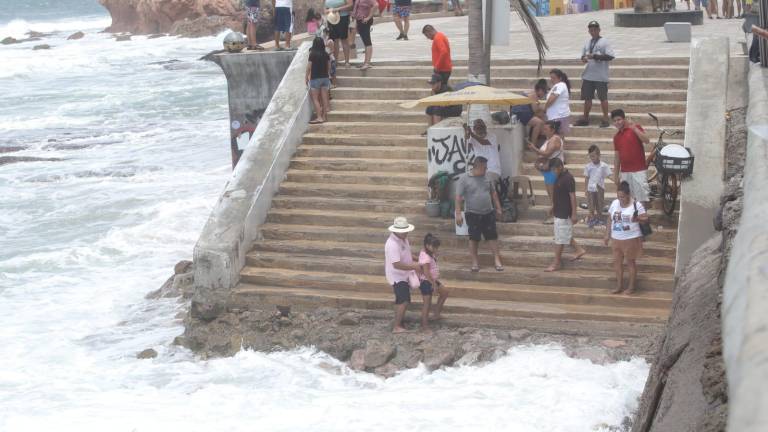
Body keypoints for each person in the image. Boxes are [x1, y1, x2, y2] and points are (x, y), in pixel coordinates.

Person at [455, 157, 504, 272]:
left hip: (488, 212)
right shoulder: (464, 179)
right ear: (477, 167)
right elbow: (458, 197)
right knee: (474, 238)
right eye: (484, 167)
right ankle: (475, 262)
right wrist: (458, 213)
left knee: (492, 236)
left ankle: (497, 260)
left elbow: (493, 193)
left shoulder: (488, 177)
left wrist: (499, 208)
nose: (486, 169)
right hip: (472, 213)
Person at [604, 181, 648, 295]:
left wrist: (637, 218)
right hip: (616, 238)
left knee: (630, 263)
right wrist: (607, 234)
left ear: (628, 195)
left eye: (622, 196)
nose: (620, 199)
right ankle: (619, 286)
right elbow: (609, 219)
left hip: (631, 238)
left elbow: (646, 219)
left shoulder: (636, 205)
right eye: (618, 196)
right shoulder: (614, 203)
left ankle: (631, 287)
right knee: (617, 263)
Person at [546, 158, 586, 272]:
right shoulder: (558, 177)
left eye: (554, 169)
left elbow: (572, 197)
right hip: (558, 212)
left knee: (560, 238)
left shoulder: (568, 178)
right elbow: (557, 194)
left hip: (564, 214)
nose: (553, 172)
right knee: (563, 234)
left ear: (560, 167)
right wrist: (553, 207)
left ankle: (557, 262)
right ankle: (579, 250)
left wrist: (574, 214)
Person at [384, 216, 422, 333]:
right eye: (403, 231)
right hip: (397, 276)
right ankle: (397, 326)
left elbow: (407, 254)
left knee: (400, 300)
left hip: (403, 274)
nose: (405, 233)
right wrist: (414, 266)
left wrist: (419, 258)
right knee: (403, 300)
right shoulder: (392, 244)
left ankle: (399, 322)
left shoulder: (403, 239)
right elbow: (396, 264)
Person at [575, 21, 614, 128]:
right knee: (587, 98)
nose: (593, 32)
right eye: (591, 30)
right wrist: (583, 58)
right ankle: (585, 118)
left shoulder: (604, 42)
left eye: (595, 30)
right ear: (589, 31)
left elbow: (610, 56)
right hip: (588, 75)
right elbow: (583, 56)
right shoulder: (587, 43)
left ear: (599, 30)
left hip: (601, 76)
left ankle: (606, 118)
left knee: (603, 98)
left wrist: (596, 56)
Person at [611, 109, 651, 205]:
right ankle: (632, 218)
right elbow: (617, 158)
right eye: (615, 120)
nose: (617, 122)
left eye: (619, 119)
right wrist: (616, 176)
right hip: (625, 172)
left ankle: (643, 218)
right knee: (628, 198)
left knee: (642, 198)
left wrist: (635, 129)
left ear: (624, 119)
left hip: (639, 170)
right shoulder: (616, 137)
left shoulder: (635, 128)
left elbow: (647, 140)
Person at [528, 120, 565, 223]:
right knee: (551, 194)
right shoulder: (549, 139)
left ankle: (555, 215)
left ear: (552, 130)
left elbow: (547, 153)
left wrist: (534, 148)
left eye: (546, 129)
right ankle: (554, 214)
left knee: (554, 195)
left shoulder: (555, 139)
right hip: (549, 170)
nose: (543, 131)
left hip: (554, 169)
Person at [418, 233, 451, 330]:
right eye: (434, 247)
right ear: (428, 246)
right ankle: (424, 326)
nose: (436, 249)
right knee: (427, 304)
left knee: (445, 292)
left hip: (432, 280)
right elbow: (426, 272)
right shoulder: (426, 257)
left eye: (437, 247)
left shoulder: (427, 253)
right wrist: (433, 284)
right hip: (426, 281)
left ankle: (436, 314)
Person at [464, 119, 502, 187]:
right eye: (478, 128)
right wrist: (466, 135)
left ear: (485, 128)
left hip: (493, 170)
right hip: (479, 170)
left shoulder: (492, 136)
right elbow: (467, 149)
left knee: (485, 183)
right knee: (466, 181)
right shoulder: (472, 139)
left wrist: (472, 134)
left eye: (482, 127)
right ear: (474, 129)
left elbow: (483, 142)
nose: (481, 130)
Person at [583, 144, 612, 228]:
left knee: (599, 203)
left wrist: (615, 179)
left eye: (594, 156)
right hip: (590, 188)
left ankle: (599, 218)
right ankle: (592, 218)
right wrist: (585, 189)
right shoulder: (588, 166)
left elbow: (609, 175)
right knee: (591, 203)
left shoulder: (604, 166)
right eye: (590, 156)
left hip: (600, 187)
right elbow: (586, 178)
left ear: (599, 155)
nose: (592, 158)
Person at [515, 78, 548, 147]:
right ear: (540, 90)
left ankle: (535, 139)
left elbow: (536, 108)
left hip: (520, 111)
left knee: (542, 118)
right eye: (544, 92)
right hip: (520, 113)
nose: (544, 95)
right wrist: (543, 110)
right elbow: (535, 110)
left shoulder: (532, 93)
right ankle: (532, 145)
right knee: (539, 123)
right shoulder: (534, 95)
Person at [306, 37, 331, 124]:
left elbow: (309, 67)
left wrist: (306, 77)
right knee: (324, 99)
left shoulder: (312, 54)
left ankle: (319, 117)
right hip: (325, 78)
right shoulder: (326, 54)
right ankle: (324, 117)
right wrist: (327, 75)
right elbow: (329, 67)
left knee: (315, 99)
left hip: (315, 78)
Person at [545, 69, 572, 139]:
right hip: (557, 115)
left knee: (557, 137)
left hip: (558, 116)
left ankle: (559, 150)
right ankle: (560, 150)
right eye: (551, 77)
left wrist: (545, 108)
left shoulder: (560, 85)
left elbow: (552, 98)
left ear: (560, 78)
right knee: (559, 137)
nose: (551, 80)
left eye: (553, 78)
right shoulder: (558, 86)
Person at [325, 0, 354, 67]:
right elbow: (325, 7)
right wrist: (327, 11)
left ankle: (347, 61)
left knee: (344, 39)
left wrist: (338, 9)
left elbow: (350, 5)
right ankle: (335, 61)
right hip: (331, 18)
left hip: (342, 17)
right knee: (334, 40)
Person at [352, 0, 377, 70]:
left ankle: (367, 63)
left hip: (364, 20)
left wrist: (368, 17)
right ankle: (365, 62)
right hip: (359, 20)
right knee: (365, 42)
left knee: (367, 41)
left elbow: (376, 5)